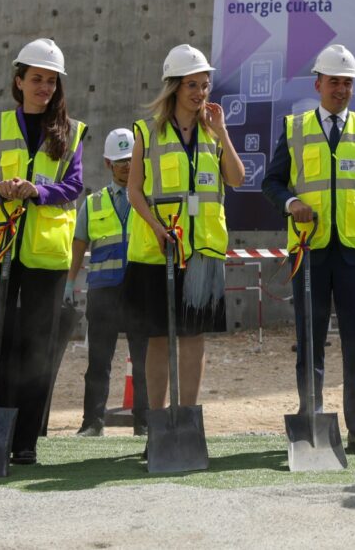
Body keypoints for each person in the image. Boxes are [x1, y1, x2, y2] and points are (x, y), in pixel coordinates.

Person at [262, 44, 355, 456]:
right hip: (311, 253)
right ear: (318, 83)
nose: (340, 89)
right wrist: (290, 203)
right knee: (310, 341)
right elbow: (272, 182)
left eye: (347, 82)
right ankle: (312, 422)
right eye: (334, 81)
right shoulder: (295, 127)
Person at [0, 38, 86, 465]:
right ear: (18, 81)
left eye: (51, 81)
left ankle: (25, 442)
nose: (45, 88)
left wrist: (38, 190)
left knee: (36, 347)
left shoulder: (71, 133)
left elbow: (74, 186)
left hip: (46, 253)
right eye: (37, 79)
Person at [125, 45, 244, 436]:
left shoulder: (213, 133)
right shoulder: (147, 131)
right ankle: (156, 425)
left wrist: (223, 132)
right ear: (174, 87)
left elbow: (237, 178)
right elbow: (134, 192)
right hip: (158, 253)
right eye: (192, 85)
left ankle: (189, 422)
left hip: (204, 252)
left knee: (194, 338)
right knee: (158, 339)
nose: (200, 93)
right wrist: (158, 229)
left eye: (205, 86)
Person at [67, 129, 148, 437]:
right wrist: (70, 283)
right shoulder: (93, 203)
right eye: (119, 161)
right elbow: (79, 243)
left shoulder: (148, 197)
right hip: (103, 292)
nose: (126, 167)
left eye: (130, 160)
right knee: (98, 362)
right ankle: (92, 422)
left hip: (140, 290)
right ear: (107, 164)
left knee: (143, 361)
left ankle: (144, 422)